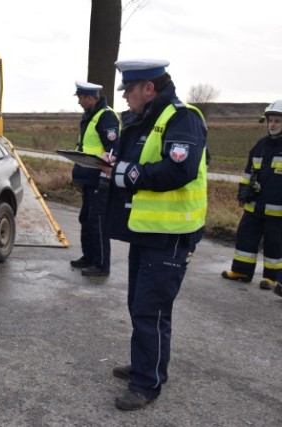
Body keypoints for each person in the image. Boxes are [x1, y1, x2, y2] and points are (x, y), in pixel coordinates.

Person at [99, 59, 208, 411]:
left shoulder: (181, 118)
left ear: (149, 88)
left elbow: (180, 169)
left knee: (151, 311)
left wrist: (127, 172)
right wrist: (112, 164)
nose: (126, 97)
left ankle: (146, 383)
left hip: (171, 234)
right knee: (140, 305)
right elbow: (133, 162)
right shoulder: (145, 119)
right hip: (147, 231)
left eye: (129, 90)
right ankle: (147, 364)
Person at [221, 100, 282, 296]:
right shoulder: (260, 146)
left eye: (277, 121)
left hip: (278, 211)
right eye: (270, 120)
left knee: (275, 243)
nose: (272, 124)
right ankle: (241, 271)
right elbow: (248, 173)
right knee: (245, 237)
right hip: (254, 206)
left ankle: (271, 277)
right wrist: (242, 190)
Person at [69, 81, 120, 277]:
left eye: (81, 98)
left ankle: (101, 264)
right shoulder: (90, 115)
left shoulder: (106, 116)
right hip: (87, 176)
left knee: (97, 220)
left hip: (99, 177)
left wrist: (104, 172)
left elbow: (113, 148)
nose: (79, 102)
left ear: (90, 97)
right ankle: (88, 257)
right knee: (86, 219)